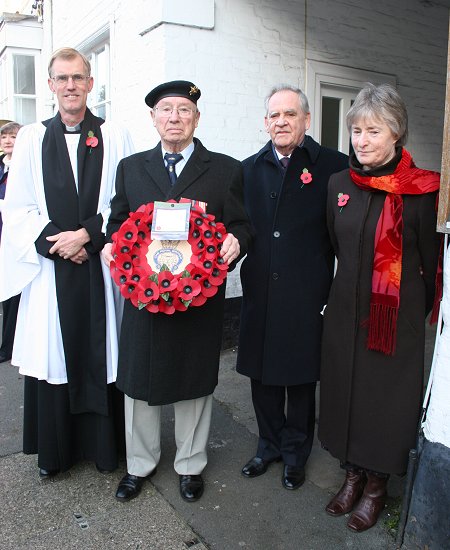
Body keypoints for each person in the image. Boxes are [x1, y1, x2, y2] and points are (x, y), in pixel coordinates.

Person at [102, 80, 251, 503]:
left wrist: (237, 241)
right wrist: (113, 242)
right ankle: (139, 465)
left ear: (196, 118)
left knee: (193, 381)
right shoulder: (131, 168)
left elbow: (242, 224)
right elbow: (116, 222)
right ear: (153, 118)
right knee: (138, 382)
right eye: (166, 109)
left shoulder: (225, 169)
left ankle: (190, 465)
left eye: (184, 110)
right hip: (144, 299)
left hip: (196, 301)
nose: (174, 117)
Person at [0, 47, 134, 477]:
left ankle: (103, 449)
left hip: (98, 265)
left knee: (101, 350)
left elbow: (123, 202)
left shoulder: (115, 135)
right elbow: (16, 207)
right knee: (54, 354)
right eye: (62, 79)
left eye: (78, 78)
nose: (71, 86)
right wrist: (58, 243)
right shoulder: (31, 139)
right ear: (51, 85)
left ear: (91, 83)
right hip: (50, 269)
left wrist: (88, 237)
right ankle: (55, 454)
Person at [319, 83, 441, 532]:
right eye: (356, 131)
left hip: (396, 319)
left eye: (373, 130)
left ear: (396, 134)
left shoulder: (423, 192)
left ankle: (375, 486)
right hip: (345, 313)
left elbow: (433, 263)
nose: (362, 141)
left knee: (382, 403)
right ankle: (351, 475)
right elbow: (336, 243)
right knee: (345, 392)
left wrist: (408, 313)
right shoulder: (338, 185)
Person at [236, 85, 348, 490]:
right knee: (262, 374)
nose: (281, 122)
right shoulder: (248, 168)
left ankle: (295, 453)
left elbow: (343, 233)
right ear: (265, 122)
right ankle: (268, 445)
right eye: (274, 115)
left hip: (307, 290)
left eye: (289, 114)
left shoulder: (334, 166)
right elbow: (239, 227)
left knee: (300, 376)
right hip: (261, 288)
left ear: (306, 119)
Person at [0, 121, 22, 363]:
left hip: (17, 239)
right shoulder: (1, 168)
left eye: (13, 136)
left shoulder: (23, 167)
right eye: (4, 137)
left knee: (16, 294)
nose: (7, 141)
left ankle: (10, 346)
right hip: (2, 237)